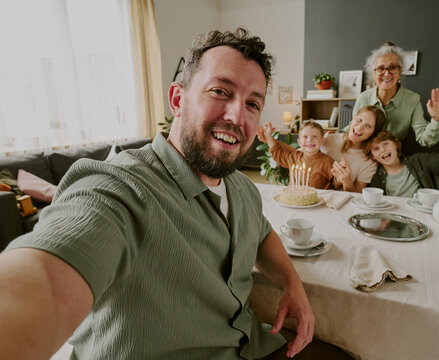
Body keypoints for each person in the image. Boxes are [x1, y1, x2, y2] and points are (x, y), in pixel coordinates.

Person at [0, 28, 315, 359]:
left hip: (255, 345)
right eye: (220, 91)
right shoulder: (121, 188)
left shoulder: (242, 188)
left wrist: (290, 281)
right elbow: (48, 278)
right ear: (177, 100)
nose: (237, 116)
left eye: (253, 103)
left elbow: (261, 232)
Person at [352, 41, 439, 147]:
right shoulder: (363, 97)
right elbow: (351, 129)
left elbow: (424, 139)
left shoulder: (413, 99)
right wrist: (333, 137)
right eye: (381, 68)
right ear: (373, 73)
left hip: (391, 158)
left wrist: (437, 120)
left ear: (400, 71)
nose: (386, 73)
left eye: (392, 67)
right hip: (363, 155)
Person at [321, 105, 386, 193]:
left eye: (368, 126)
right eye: (359, 120)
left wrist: (347, 182)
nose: (360, 127)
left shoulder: (369, 162)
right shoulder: (328, 139)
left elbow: (358, 194)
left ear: (374, 133)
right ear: (354, 118)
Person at [257, 121, 337, 189]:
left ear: (322, 141)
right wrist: (268, 136)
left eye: (315, 136)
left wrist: (340, 176)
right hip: (293, 199)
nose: (310, 140)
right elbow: (277, 151)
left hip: (315, 201)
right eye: (305, 137)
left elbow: (336, 182)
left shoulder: (328, 162)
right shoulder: (294, 157)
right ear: (299, 142)